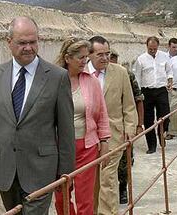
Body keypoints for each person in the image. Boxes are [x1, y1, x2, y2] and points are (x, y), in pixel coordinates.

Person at [0, 16, 75, 214]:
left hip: (41, 169)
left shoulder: (57, 77)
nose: (28, 48)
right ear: (9, 43)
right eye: (22, 43)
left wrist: (66, 173)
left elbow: (66, 130)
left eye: (33, 42)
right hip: (5, 170)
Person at [54, 38, 111, 215]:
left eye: (86, 57)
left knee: (85, 198)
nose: (85, 61)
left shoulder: (91, 81)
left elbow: (102, 113)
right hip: (60, 148)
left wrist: (104, 141)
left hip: (87, 146)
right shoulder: (53, 82)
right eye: (80, 57)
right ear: (67, 58)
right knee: (61, 197)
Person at [87, 36, 137, 215]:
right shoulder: (81, 73)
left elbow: (129, 105)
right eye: (100, 54)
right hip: (88, 136)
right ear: (89, 54)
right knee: (93, 180)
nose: (105, 58)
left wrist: (130, 129)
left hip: (114, 135)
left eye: (107, 54)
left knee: (108, 177)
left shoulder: (120, 72)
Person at [109, 50, 144, 205]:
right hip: (107, 125)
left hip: (124, 125)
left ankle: (123, 188)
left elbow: (138, 99)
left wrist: (139, 124)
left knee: (125, 161)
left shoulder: (127, 75)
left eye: (113, 60)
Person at [134, 36, 173, 154]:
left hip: (161, 90)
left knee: (165, 115)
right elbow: (137, 77)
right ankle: (152, 145)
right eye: (150, 49)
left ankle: (162, 133)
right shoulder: (141, 59)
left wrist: (170, 79)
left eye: (154, 49)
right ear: (147, 47)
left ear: (158, 47)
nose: (152, 51)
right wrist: (138, 93)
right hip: (147, 92)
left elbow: (169, 71)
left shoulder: (164, 56)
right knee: (148, 119)